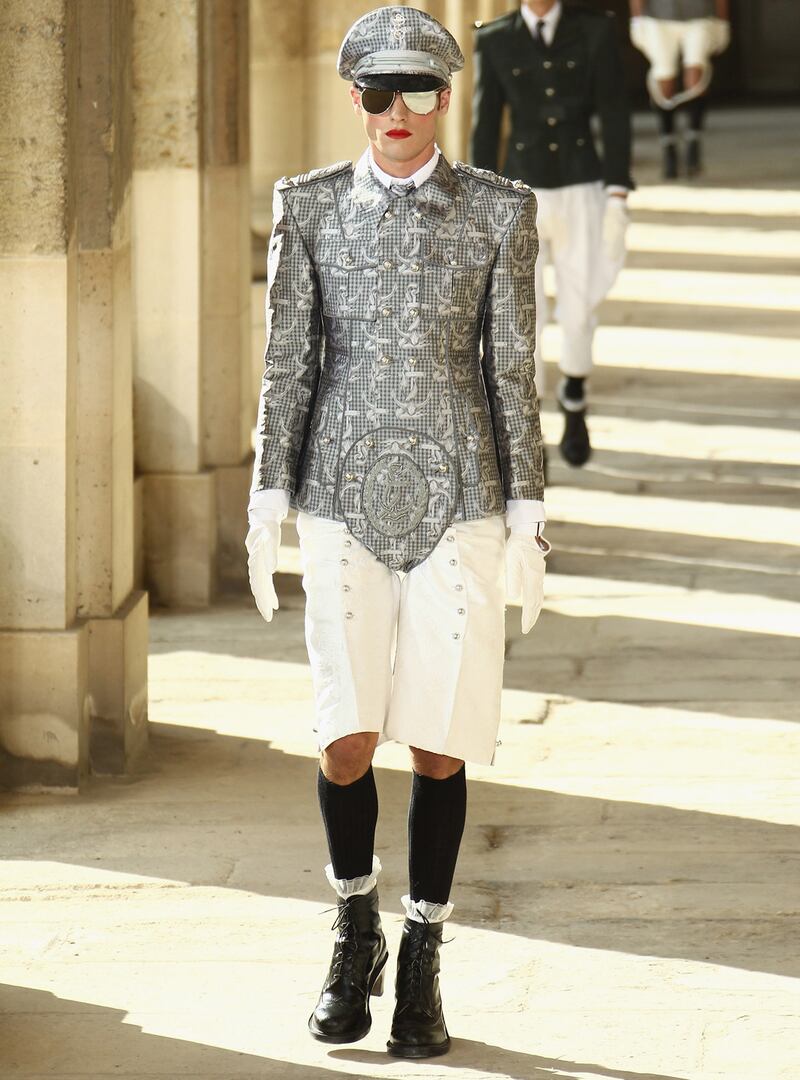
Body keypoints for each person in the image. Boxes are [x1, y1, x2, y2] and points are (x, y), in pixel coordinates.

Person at [245, 4, 549, 1061]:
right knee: (341, 736)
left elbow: (509, 366)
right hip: (335, 498)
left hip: (461, 496)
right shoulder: (310, 208)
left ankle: (421, 954)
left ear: (443, 97)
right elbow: (287, 362)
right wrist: (263, 494)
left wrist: (529, 510)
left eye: (415, 91)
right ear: (356, 100)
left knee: (437, 739)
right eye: (375, 92)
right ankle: (352, 929)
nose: (394, 112)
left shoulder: (500, 213)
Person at [470, 0, 634, 469]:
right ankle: (530, 423)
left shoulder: (594, 30)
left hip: (582, 183)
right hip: (522, 191)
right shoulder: (494, 37)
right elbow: (486, 124)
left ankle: (576, 395)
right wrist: (480, 201)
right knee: (527, 314)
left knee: (580, 305)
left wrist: (618, 190)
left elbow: (614, 110)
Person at [629, 0, 731, 178]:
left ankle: (693, 140)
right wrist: (637, 19)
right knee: (664, 77)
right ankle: (668, 145)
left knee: (696, 75)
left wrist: (722, 20)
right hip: (658, 17)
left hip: (700, 15)